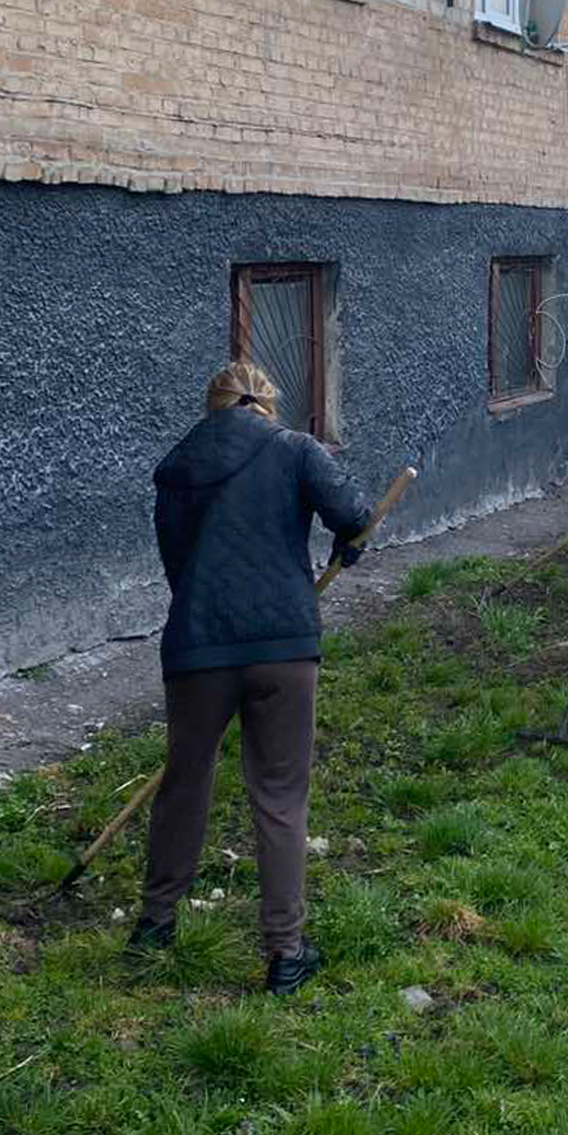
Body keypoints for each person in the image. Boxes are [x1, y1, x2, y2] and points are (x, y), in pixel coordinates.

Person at [126, 361, 370, 994]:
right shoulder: (295, 449)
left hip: (198, 645)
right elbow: (352, 510)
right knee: (280, 795)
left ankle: (155, 921)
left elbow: (177, 564)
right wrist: (349, 542)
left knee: (183, 781)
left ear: (212, 406)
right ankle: (285, 953)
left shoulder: (177, 467)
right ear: (268, 402)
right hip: (282, 646)